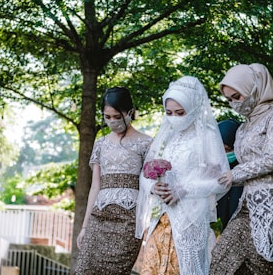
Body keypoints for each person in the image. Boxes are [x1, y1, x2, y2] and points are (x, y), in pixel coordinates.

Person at [210, 63, 273, 274]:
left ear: (253, 89)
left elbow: (272, 160)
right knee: (219, 262)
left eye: (237, 96)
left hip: (270, 204)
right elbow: (241, 166)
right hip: (246, 205)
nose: (234, 103)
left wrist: (234, 174)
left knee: (260, 267)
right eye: (229, 99)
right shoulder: (244, 127)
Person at [136, 76, 230, 275]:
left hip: (190, 218)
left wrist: (184, 189)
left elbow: (222, 181)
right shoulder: (166, 137)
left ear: (194, 108)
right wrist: (153, 186)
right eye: (168, 112)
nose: (174, 118)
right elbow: (145, 174)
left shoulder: (208, 136)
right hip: (161, 217)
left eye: (180, 112)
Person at [75, 87, 153, 275]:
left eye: (116, 117)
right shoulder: (100, 143)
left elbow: (150, 187)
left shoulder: (147, 143)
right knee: (84, 269)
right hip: (98, 217)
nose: (111, 122)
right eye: (107, 117)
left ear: (130, 113)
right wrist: (84, 227)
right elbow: (95, 187)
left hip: (129, 221)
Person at [216, 118, 243, 232]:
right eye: (220, 149)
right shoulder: (211, 165)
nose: (225, 154)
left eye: (228, 149)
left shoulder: (246, 166)